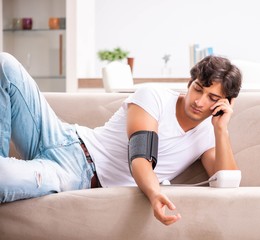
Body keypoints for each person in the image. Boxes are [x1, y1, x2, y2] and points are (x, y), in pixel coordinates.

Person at [0, 52, 242, 226]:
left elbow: (226, 183)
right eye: (198, 89)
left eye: (212, 98)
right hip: (64, 136)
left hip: (74, 173)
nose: (200, 101)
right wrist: (154, 192)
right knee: (5, 63)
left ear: (225, 102)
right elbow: (140, 157)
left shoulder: (209, 135)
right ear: (190, 84)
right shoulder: (153, 97)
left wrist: (221, 130)